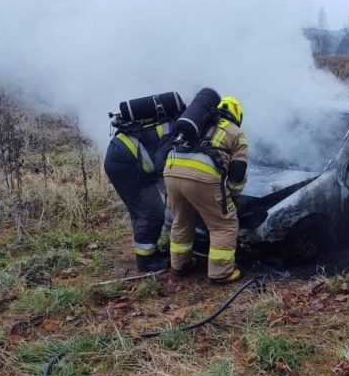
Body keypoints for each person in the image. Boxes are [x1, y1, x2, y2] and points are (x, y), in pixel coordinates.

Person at [164, 96, 248, 283]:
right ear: (237, 114)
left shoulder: (200, 124)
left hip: (171, 172)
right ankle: (221, 273)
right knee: (223, 225)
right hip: (201, 178)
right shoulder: (236, 132)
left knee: (181, 220)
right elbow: (237, 173)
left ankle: (180, 265)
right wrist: (231, 195)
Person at [104, 105, 180, 274]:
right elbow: (161, 162)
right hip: (124, 163)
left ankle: (150, 252)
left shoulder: (172, 121)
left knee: (143, 210)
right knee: (151, 211)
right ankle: (146, 262)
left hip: (124, 158)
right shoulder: (175, 128)